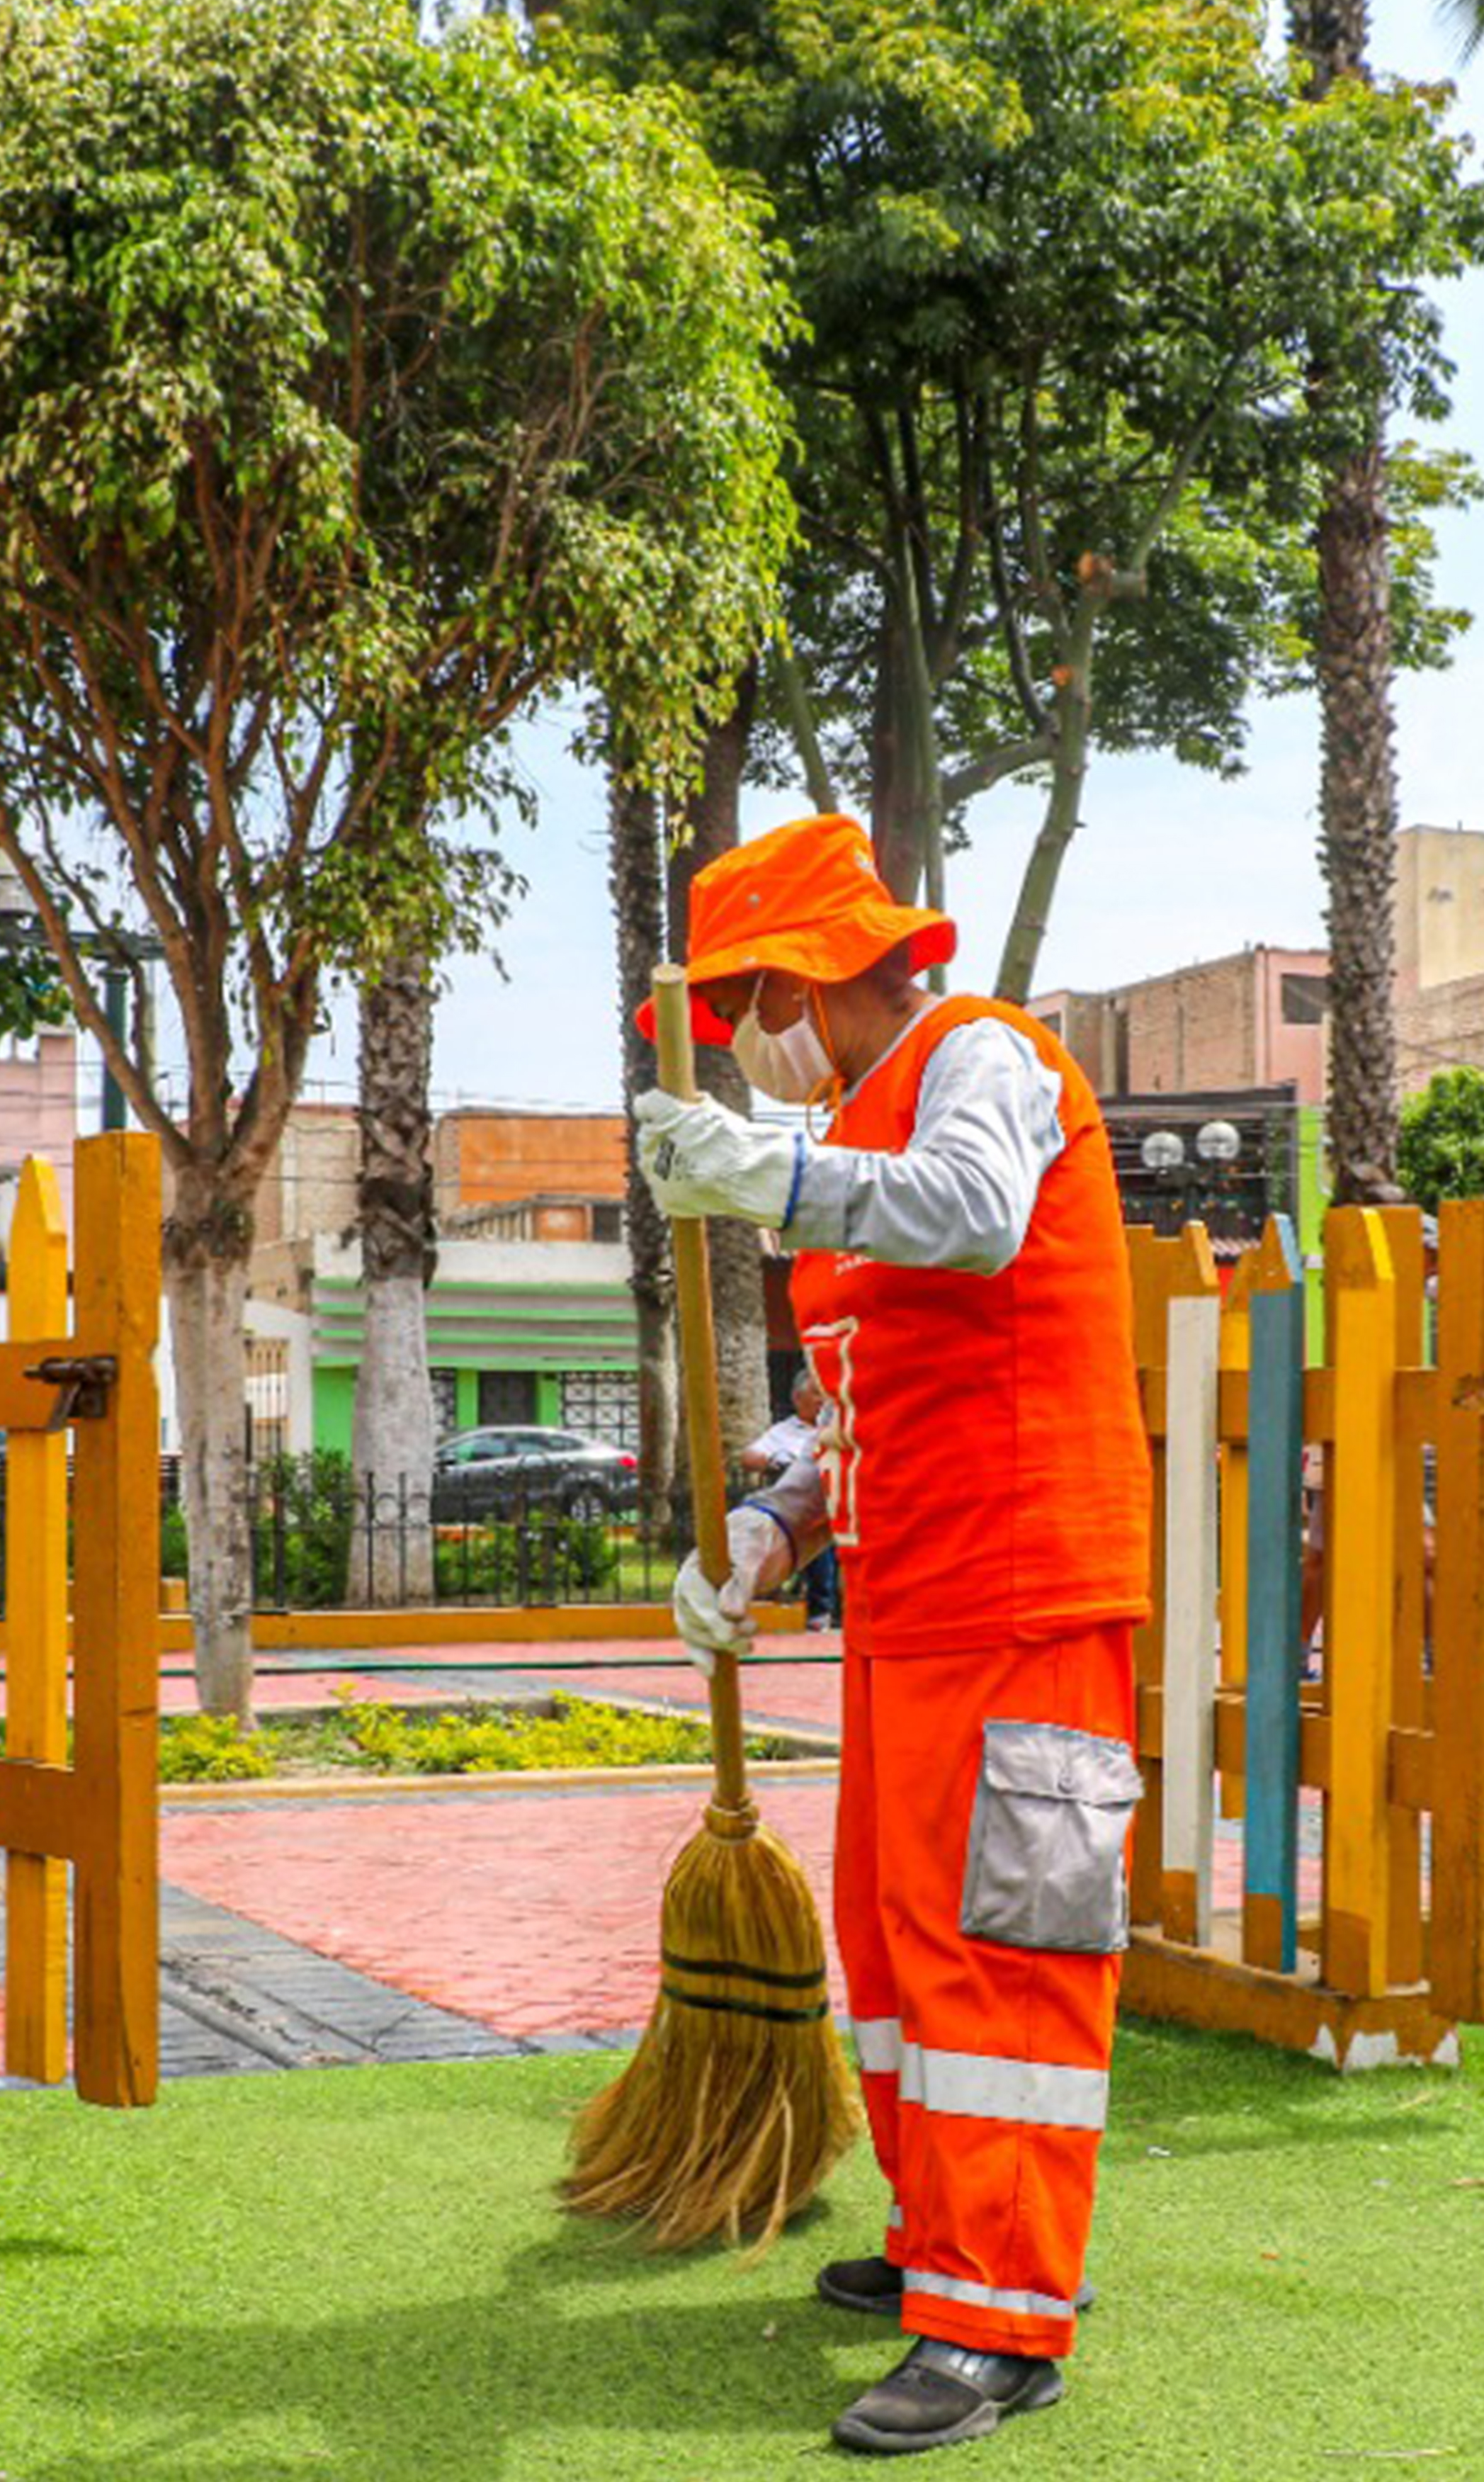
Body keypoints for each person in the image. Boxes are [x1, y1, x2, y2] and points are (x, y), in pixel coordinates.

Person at [633, 813, 1147, 2459]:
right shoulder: (852, 1126)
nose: (733, 1048)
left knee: (1000, 1950)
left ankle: (1000, 2324)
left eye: (733, 1013)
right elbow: (841, 1399)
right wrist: (767, 1524)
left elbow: (980, 1215)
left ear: (795, 976)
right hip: (911, 1603)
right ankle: (942, 2242)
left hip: (1025, 1588)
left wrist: (758, 1170)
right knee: (897, 1941)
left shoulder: (975, 1056)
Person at [742, 1365, 844, 1630]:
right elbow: (749, 1457)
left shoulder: (841, 1422)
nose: (822, 1400)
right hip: (806, 1508)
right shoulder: (783, 1432)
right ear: (798, 1398)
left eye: (825, 1394)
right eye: (815, 1393)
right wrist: (775, 1459)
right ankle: (821, 1611)